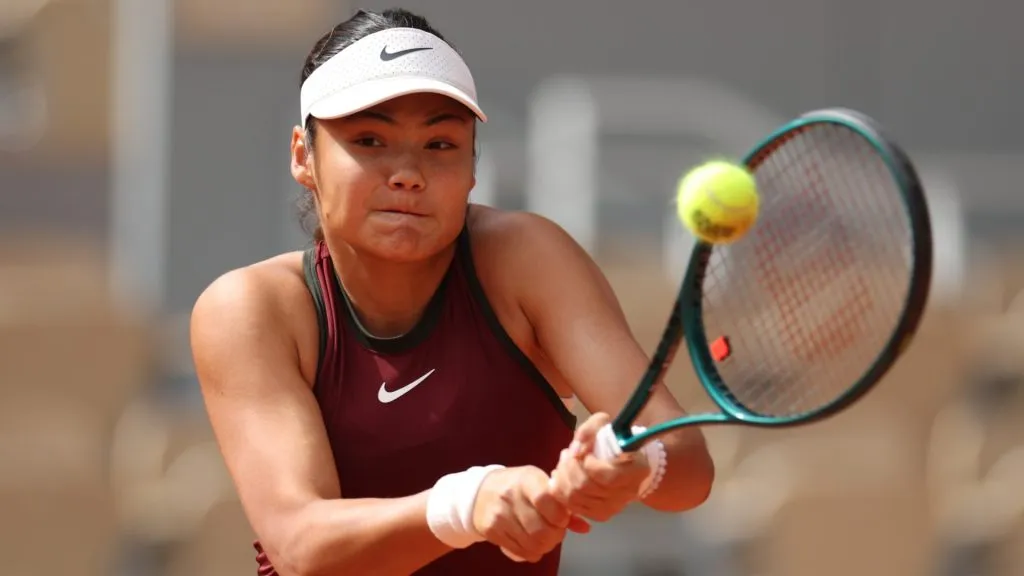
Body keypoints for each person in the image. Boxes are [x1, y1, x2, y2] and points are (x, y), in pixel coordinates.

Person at [190, 8, 714, 576]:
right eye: (369, 139)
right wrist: (469, 503)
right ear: (303, 157)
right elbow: (303, 548)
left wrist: (638, 465)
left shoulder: (528, 259)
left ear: (472, 166)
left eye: (439, 144)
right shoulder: (250, 309)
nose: (408, 173)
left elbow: (689, 468)